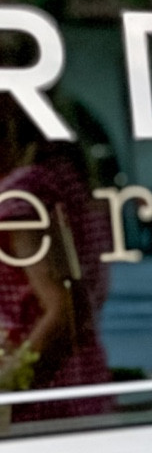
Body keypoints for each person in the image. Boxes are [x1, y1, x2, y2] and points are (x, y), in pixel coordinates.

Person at [0, 98, 111, 423]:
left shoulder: (24, 193)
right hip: (82, 386)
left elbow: (65, 309)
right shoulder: (69, 179)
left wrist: (10, 384)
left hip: (42, 407)